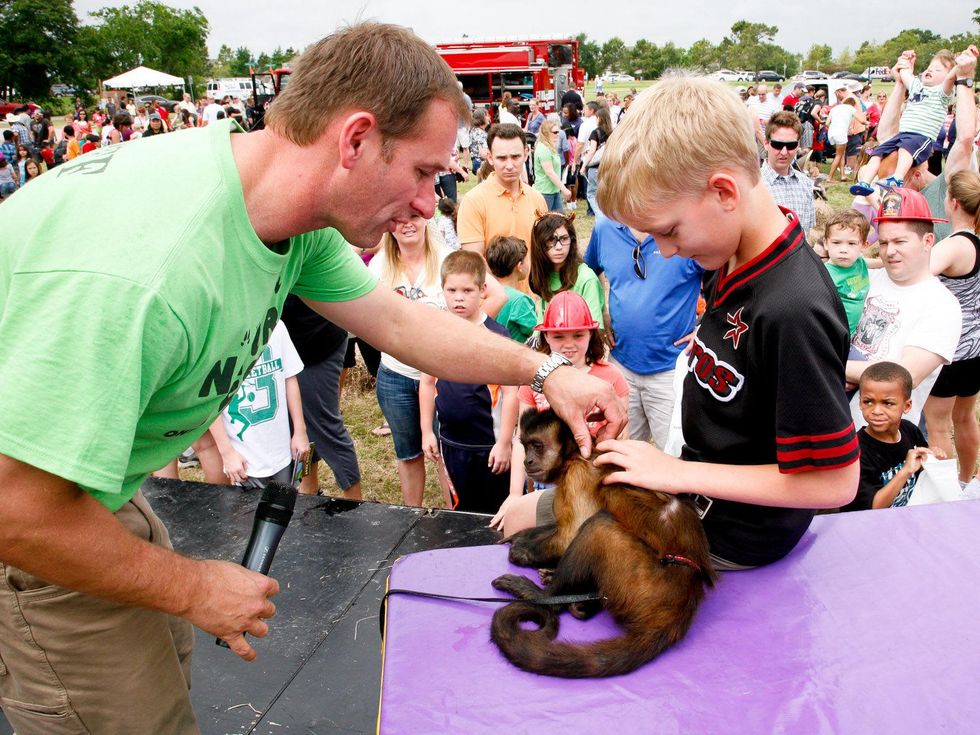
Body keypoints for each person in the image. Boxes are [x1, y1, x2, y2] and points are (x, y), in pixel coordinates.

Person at [0, 23, 624, 733]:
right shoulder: (144, 274)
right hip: (39, 516)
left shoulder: (284, 214)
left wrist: (548, 370)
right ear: (355, 139)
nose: (429, 205)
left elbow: (400, 323)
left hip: (92, 489)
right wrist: (195, 585)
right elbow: (18, 508)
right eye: (423, 173)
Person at [581, 73, 861, 570]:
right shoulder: (728, 254)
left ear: (724, 192)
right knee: (526, 516)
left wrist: (675, 474)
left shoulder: (793, 308)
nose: (665, 251)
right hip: (695, 499)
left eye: (668, 231)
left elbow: (835, 482)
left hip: (732, 537)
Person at [490, 291, 629, 531]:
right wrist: (515, 494)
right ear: (545, 337)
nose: (569, 344)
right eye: (558, 336)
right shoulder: (533, 381)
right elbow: (523, 440)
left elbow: (623, 439)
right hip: (548, 482)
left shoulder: (611, 377)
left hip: (596, 484)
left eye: (578, 335)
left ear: (591, 334)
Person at [846, 187, 962, 428]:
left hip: (880, 441)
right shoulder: (869, 279)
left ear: (928, 241)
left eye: (900, 241)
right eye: (885, 242)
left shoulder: (942, 306)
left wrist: (832, 368)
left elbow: (904, 376)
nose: (890, 251)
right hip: (833, 424)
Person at [584, 215, 703, 449]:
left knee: (673, 460)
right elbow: (587, 272)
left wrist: (705, 325)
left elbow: (725, 278)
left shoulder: (683, 229)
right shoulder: (605, 228)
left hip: (670, 370)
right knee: (619, 455)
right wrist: (602, 312)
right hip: (621, 368)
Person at [420, 251, 518, 513]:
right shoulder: (437, 333)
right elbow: (427, 383)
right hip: (451, 443)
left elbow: (510, 394)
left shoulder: (496, 336)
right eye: (451, 290)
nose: (459, 297)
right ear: (442, 290)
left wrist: (505, 442)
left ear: (483, 289)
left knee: (495, 513)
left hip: (489, 446)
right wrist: (427, 431)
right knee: (460, 510)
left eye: (467, 290)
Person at [369, 214, 454, 506]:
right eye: (399, 219)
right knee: (408, 452)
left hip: (442, 375)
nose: (407, 224)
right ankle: (411, 516)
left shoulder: (447, 260)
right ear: (389, 226)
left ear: (426, 220)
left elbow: (488, 297)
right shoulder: (379, 266)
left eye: (414, 217)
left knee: (446, 453)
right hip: (396, 375)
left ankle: (454, 517)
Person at [922, 171, 980, 484]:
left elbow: (918, 270)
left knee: (938, 424)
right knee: (965, 417)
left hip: (952, 351)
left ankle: (946, 494)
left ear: (953, 203)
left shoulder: (958, 244)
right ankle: (966, 482)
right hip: (976, 347)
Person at [280, 295, 363, 499]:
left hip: (316, 344)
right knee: (298, 429)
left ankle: (355, 500)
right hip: (288, 346)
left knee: (325, 426)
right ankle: (307, 487)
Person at [211, 320, 310, 488]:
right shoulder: (216, 339)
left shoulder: (276, 326)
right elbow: (210, 403)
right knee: (246, 512)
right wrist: (226, 452)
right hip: (243, 460)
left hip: (282, 451)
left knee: (283, 506)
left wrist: (300, 431)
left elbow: (290, 377)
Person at [851, 49, 957, 194]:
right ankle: (865, 182)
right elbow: (904, 75)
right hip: (903, 133)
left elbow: (951, 78)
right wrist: (906, 63)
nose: (930, 70)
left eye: (937, 69)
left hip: (920, 135)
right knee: (878, 153)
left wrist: (960, 65)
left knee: (905, 150)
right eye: (929, 67)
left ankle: (898, 177)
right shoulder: (916, 87)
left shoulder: (941, 94)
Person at [843, 362, 945, 511]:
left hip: (905, 517)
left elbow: (921, 467)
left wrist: (931, 456)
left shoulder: (909, 430)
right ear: (860, 403)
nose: (876, 410)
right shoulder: (857, 451)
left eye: (887, 403)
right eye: (868, 401)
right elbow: (872, 507)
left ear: (907, 406)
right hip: (871, 527)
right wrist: (905, 471)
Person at [457, 123, 547, 255]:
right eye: (502, 158)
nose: (509, 165)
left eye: (515, 156)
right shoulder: (473, 202)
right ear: (490, 157)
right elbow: (476, 262)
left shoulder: (537, 199)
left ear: (526, 154)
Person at [527, 211, 604, 325]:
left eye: (564, 239)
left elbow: (595, 329)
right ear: (539, 244)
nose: (558, 247)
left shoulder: (586, 278)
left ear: (571, 240)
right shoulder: (544, 275)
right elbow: (541, 326)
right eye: (550, 240)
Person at [760, 110, 815, 233]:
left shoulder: (805, 183)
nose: (784, 152)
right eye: (777, 144)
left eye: (790, 145)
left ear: (798, 145)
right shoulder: (753, 185)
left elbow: (807, 233)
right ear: (766, 143)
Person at [823, 209, 874, 337]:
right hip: (833, 337)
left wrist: (885, 262)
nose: (843, 250)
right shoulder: (824, 274)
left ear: (864, 245)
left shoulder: (859, 262)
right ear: (826, 243)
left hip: (853, 334)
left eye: (852, 243)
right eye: (836, 243)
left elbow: (871, 262)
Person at [486, 235, 536, 343]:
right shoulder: (521, 300)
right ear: (520, 266)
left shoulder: (487, 295)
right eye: (527, 260)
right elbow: (535, 331)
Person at [580, 104, 613, 217]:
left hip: (595, 167)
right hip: (608, 166)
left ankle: (600, 216)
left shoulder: (595, 133)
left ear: (599, 118)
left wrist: (584, 166)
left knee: (592, 193)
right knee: (606, 192)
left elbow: (592, 150)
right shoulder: (612, 133)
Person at [533, 118, 571, 212]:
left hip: (554, 190)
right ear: (546, 133)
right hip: (545, 192)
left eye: (558, 132)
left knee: (559, 221)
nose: (558, 134)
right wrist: (564, 189)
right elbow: (550, 172)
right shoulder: (543, 149)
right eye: (555, 132)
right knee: (544, 223)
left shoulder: (550, 147)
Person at [826, 98, 857, 182]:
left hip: (831, 133)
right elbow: (854, 123)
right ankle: (830, 177)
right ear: (852, 104)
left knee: (841, 154)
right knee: (839, 155)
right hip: (841, 134)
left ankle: (843, 175)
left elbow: (826, 123)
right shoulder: (851, 109)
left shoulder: (834, 108)